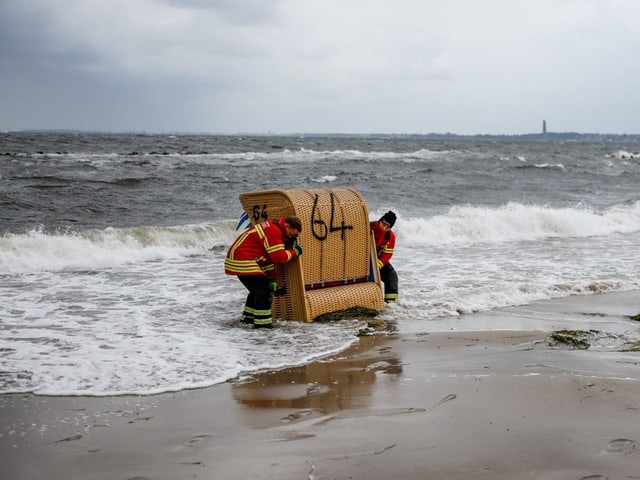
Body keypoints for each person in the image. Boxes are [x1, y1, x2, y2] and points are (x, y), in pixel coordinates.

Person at [225, 215, 303, 328]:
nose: (290, 237)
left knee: (257, 291)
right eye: (291, 234)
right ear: (286, 226)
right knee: (264, 291)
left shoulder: (275, 228)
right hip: (241, 258)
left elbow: (268, 260)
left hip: (242, 258)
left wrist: (272, 279)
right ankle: (263, 327)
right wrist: (295, 251)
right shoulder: (273, 230)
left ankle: (247, 321)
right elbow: (279, 257)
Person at [370, 211, 398, 303]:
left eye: (388, 227)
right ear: (380, 220)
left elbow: (387, 255)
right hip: (360, 259)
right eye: (384, 224)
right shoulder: (368, 227)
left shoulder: (390, 236)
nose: (384, 228)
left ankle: (391, 305)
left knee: (391, 275)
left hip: (376, 262)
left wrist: (378, 265)